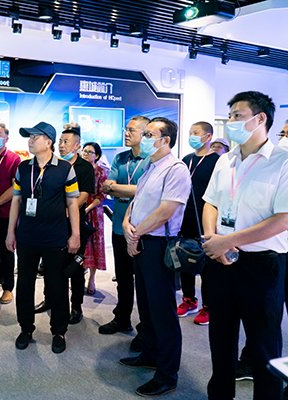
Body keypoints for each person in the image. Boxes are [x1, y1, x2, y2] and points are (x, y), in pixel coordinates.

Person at [202, 91, 288, 400]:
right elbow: (211, 202)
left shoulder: (282, 162)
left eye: (237, 115)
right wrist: (213, 240)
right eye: (230, 116)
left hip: (261, 266)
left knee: (264, 347)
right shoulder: (225, 160)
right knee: (220, 340)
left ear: (260, 118)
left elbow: (282, 219)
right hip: (220, 261)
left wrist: (228, 241)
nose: (231, 122)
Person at [119, 117, 191, 397]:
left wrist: (135, 235)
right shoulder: (150, 166)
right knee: (147, 306)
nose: (144, 138)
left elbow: (166, 211)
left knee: (163, 311)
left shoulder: (176, 169)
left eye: (150, 134)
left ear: (166, 140)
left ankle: (167, 374)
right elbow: (136, 201)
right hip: (141, 241)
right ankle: (149, 353)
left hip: (159, 244)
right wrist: (127, 224)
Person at [6, 121, 80, 354]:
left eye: (34, 137)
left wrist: (75, 234)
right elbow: (17, 200)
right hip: (27, 237)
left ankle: (59, 331)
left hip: (55, 237)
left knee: (57, 286)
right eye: (29, 137)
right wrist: (10, 232)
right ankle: (25, 328)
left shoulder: (65, 168)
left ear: (48, 142)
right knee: (24, 284)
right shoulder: (23, 168)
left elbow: (72, 203)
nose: (30, 141)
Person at [34, 125, 94, 324]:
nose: (61, 145)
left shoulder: (84, 167)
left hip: (74, 224)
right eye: (60, 141)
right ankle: (49, 299)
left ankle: (76, 307)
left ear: (77, 145)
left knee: (74, 267)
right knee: (50, 265)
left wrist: (64, 212)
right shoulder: (54, 165)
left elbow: (83, 196)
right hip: (53, 226)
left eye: (66, 142)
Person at [99, 116, 150, 337]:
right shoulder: (121, 158)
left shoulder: (152, 159)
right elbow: (106, 186)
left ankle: (146, 330)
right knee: (122, 278)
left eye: (131, 130)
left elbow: (146, 191)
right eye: (125, 129)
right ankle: (122, 318)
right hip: (119, 226)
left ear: (145, 134)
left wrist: (119, 188)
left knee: (146, 282)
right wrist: (133, 190)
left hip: (143, 230)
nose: (126, 133)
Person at [176, 122, 219, 325]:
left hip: (206, 218)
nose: (191, 136)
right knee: (185, 258)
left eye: (196, 133)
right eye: (190, 132)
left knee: (206, 264)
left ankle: (208, 306)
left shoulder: (216, 161)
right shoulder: (186, 159)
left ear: (208, 136)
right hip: (185, 217)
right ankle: (189, 299)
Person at [0, 123, 21, 304]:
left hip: (6, 212)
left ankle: (8, 288)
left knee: (6, 250)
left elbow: (16, 186)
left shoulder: (14, 159)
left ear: (7, 138)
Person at [81, 142, 108, 296]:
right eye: (84, 151)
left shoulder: (101, 172)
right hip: (78, 209)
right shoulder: (76, 169)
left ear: (96, 156)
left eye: (89, 152)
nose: (85, 154)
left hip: (94, 212)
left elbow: (101, 196)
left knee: (95, 245)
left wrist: (88, 208)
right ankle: (79, 277)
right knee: (80, 245)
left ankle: (91, 279)